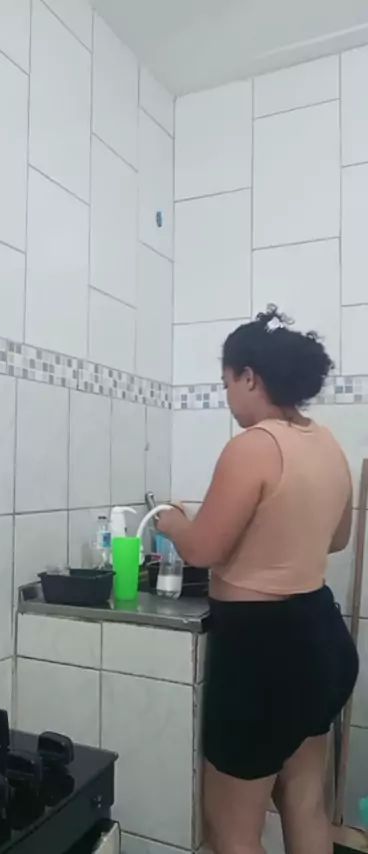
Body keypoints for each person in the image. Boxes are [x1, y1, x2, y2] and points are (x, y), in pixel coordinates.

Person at [157, 307, 359, 854]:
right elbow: (337, 539)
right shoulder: (327, 444)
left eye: (227, 383)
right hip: (321, 640)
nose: (227, 397)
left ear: (250, 377)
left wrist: (173, 522)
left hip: (264, 653)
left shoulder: (253, 445)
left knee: (231, 828)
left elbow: (203, 549)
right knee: (306, 804)